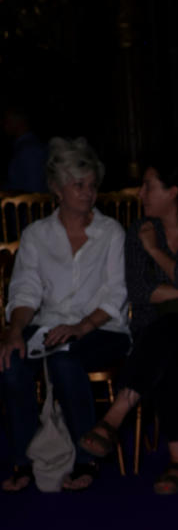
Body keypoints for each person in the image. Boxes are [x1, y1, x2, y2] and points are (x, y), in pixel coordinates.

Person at [78, 161, 178, 494]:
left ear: (173, 191)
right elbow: (139, 292)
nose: (140, 193)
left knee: (167, 335)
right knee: (169, 347)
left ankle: (116, 416)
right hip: (160, 331)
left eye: (148, 186)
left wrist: (156, 252)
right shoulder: (138, 230)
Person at [0, 137, 129, 491]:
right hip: (49, 326)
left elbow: (116, 294)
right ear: (57, 189)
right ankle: (25, 461)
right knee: (11, 361)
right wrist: (14, 331)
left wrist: (81, 327)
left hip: (105, 328)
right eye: (79, 185)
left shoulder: (110, 233)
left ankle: (87, 460)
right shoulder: (36, 235)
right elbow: (25, 290)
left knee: (64, 359)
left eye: (91, 185)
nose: (88, 193)